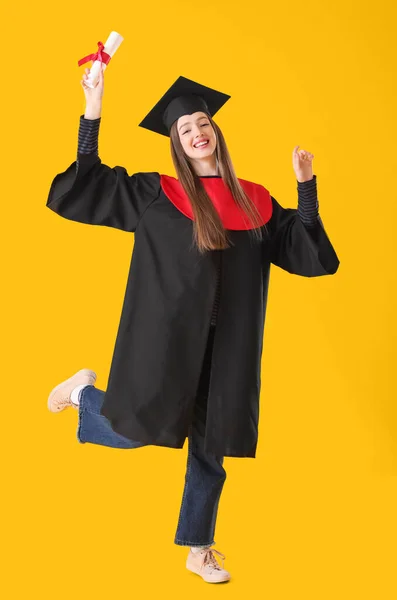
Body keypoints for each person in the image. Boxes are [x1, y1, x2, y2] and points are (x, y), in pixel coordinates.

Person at [46, 65, 340, 584]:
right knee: (131, 432)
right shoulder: (158, 194)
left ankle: (199, 549)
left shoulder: (257, 201)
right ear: (177, 145)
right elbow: (85, 187)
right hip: (165, 345)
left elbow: (307, 252)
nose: (197, 131)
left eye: (202, 123)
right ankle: (84, 396)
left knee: (212, 449)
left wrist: (307, 188)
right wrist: (93, 109)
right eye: (185, 129)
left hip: (228, 347)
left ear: (216, 132)